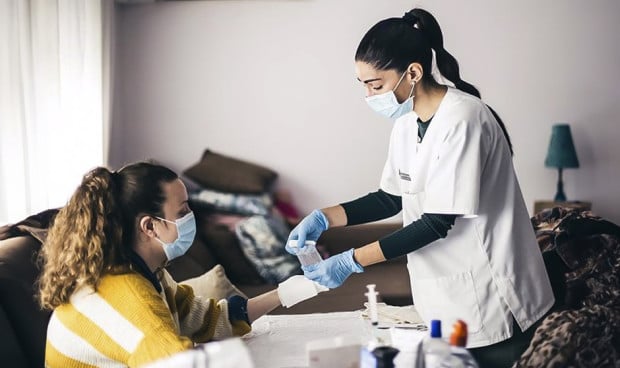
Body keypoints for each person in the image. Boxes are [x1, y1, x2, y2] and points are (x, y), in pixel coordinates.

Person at [286, 8, 555, 367]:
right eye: (363, 84)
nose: (368, 95)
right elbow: (389, 197)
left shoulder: (464, 118)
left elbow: (436, 222)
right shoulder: (407, 122)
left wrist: (351, 261)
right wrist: (323, 218)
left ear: (413, 72)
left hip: (492, 293)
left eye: (375, 84)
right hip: (446, 293)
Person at [38, 162, 284, 367]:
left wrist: (284, 293)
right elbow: (180, 362)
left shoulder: (149, 273)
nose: (190, 218)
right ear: (149, 226)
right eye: (183, 211)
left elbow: (209, 319)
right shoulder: (127, 295)